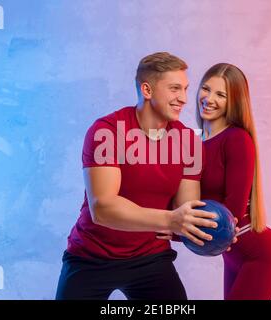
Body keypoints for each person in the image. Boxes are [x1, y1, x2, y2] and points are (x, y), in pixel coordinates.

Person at [55, 52, 236, 300]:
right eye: (174, 89)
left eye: (185, 89)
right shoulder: (107, 132)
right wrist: (171, 220)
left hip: (150, 258)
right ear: (147, 90)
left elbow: (185, 210)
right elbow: (103, 208)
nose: (183, 98)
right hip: (91, 257)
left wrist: (214, 232)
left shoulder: (188, 143)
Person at [196, 63, 271, 300]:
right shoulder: (195, 143)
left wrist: (175, 231)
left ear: (234, 102)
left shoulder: (237, 139)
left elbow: (232, 211)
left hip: (260, 254)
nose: (209, 98)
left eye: (221, 94)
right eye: (206, 89)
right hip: (233, 255)